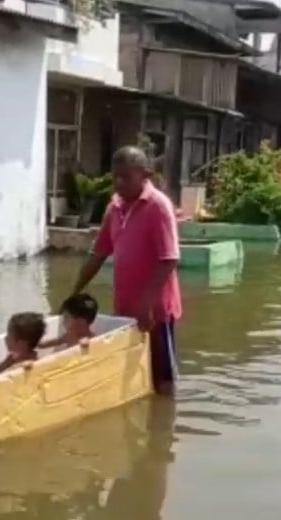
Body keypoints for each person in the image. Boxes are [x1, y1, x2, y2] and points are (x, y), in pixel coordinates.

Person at [69, 146, 181, 396]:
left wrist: (146, 305)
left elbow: (169, 260)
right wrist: (73, 292)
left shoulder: (158, 207)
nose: (119, 183)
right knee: (132, 377)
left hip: (156, 311)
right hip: (125, 309)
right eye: (115, 177)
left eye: (126, 177)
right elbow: (98, 255)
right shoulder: (114, 208)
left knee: (163, 379)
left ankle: (165, 429)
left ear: (145, 175)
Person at [0, 312, 46, 377]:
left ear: (21, 343)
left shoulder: (33, 362)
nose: (5, 338)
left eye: (9, 336)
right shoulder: (13, 358)